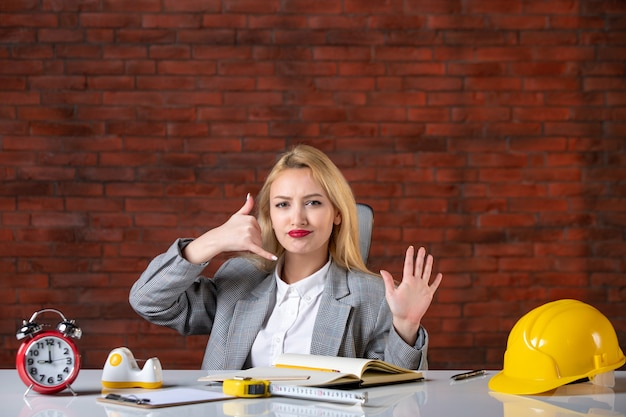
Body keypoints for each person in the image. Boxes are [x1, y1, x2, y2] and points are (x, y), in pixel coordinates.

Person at [129, 145, 443, 370]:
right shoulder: (238, 280)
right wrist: (210, 242)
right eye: (282, 205)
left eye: (313, 203)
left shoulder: (372, 297)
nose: (297, 219)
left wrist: (406, 325)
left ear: (336, 213)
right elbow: (147, 300)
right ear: (269, 216)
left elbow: (399, 396)